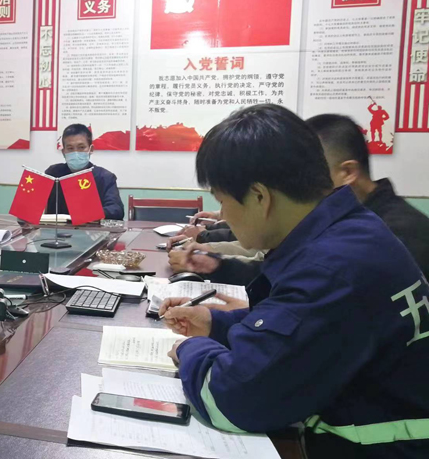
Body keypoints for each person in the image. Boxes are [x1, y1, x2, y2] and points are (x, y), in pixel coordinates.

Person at [158, 104, 429, 457]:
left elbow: (233, 400)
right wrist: (216, 323)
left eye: (223, 201)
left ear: (260, 197)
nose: (223, 214)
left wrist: (190, 349)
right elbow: (300, 324)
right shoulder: (354, 230)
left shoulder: (328, 267)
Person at [171, 113, 429, 289]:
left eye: (312, 170)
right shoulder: (350, 224)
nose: (295, 182)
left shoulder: (389, 233)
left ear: (348, 172)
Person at [44, 123, 124, 220]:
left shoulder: (104, 177)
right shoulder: (52, 174)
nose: (76, 152)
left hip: (91, 227)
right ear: (63, 152)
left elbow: (116, 210)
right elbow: (35, 202)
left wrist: (91, 214)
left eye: (81, 147)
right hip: (55, 228)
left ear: (91, 149)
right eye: (70, 148)